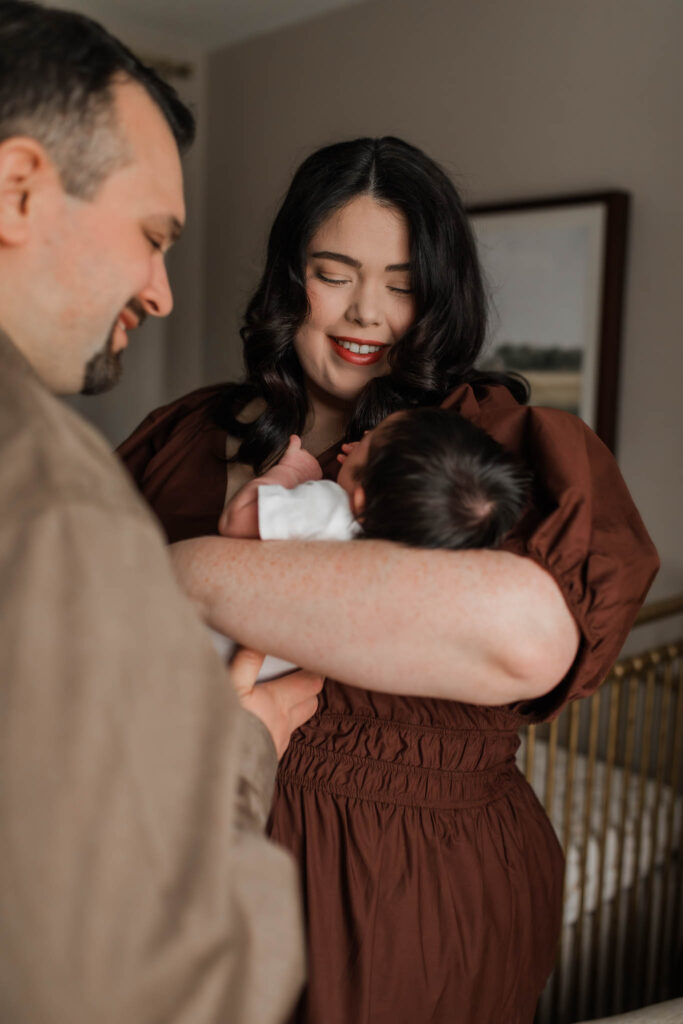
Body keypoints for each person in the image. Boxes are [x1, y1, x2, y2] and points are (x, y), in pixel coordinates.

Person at [118, 137, 659, 1023]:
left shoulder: (484, 447)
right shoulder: (181, 437)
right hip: (185, 870)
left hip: (411, 898)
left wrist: (188, 571)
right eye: (334, 273)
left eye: (403, 284)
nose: (366, 312)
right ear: (289, 277)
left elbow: (528, 637)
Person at [0, 4, 323, 1023]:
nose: (161, 292)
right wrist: (234, 762)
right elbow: (159, 988)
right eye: (152, 238)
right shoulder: (50, 495)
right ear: (15, 189)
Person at [210, 408, 530, 680]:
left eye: (371, 438)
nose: (362, 433)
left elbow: (237, 520)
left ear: (361, 499)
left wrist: (292, 472)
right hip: (261, 672)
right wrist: (365, 463)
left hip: (205, 638)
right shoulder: (397, 580)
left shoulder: (327, 507)